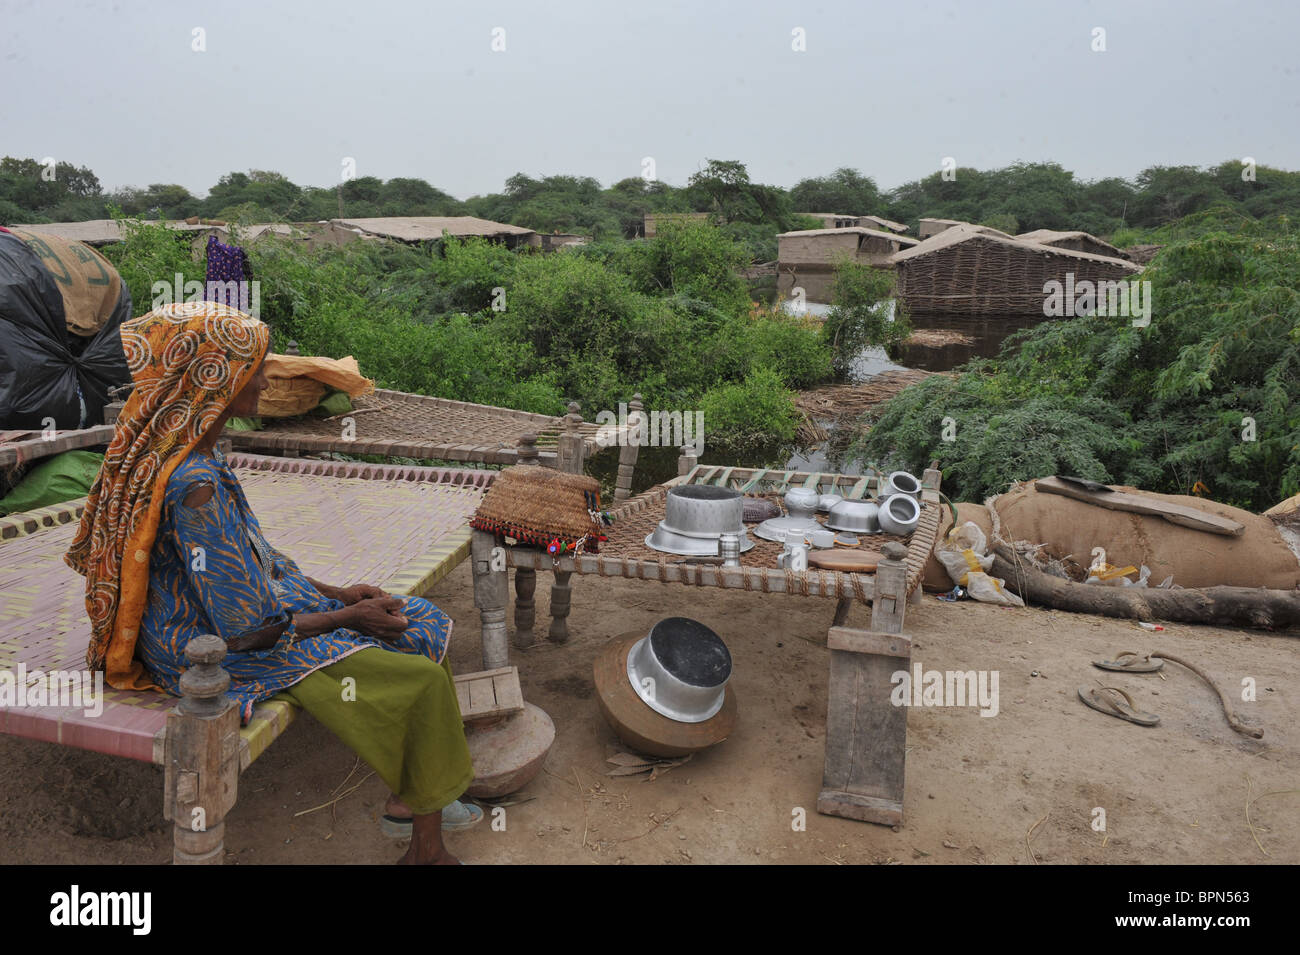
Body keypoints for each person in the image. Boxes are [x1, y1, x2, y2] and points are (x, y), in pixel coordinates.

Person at [65, 301, 477, 865]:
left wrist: (339, 594)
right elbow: (249, 627)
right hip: (207, 648)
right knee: (418, 681)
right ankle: (427, 851)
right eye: (252, 369)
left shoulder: (200, 454)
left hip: (246, 617)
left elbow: (260, 559)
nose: (264, 380)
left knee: (423, 622)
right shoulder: (194, 483)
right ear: (214, 380)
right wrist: (348, 620)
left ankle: (414, 796)